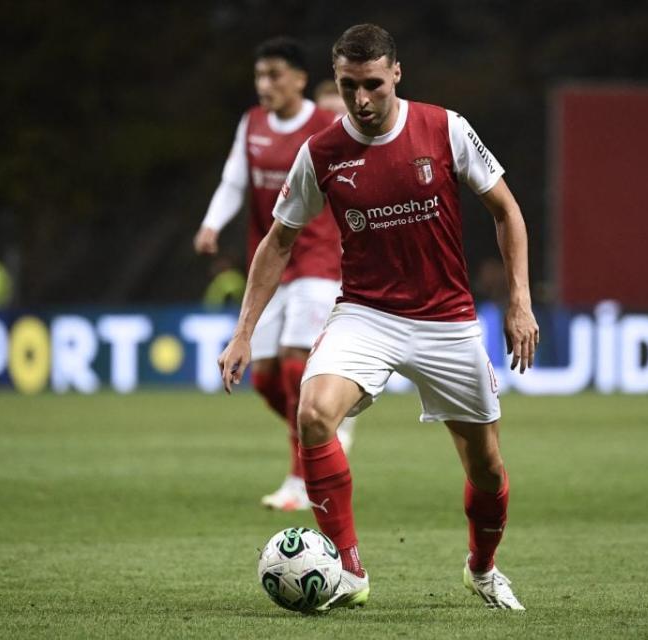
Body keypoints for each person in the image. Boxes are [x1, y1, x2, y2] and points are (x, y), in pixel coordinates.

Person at [218, 24, 538, 611]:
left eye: (371, 84)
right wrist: (244, 331)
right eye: (348, 86)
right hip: (365, 314)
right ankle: (349, 569)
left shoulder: (445, 128)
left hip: (447, 319)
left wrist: (519, 299)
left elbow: (507, 211)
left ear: (396, 73)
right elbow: (277, 241)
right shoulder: (321, 153)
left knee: (487, 467)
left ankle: (482, 567)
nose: (361, 100)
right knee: (313, 413)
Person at [194, 36, 356, 512]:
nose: (265, 85)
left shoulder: (326, 125)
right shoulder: (252, 124)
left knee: (292, 364)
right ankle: (329, 429)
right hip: (270, 265)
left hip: (318, 261)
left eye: (275, 76)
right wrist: (210, 224)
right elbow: (233, 181)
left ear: (300, 80)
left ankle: (300, 478)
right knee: (263, 377)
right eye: (260, 76)